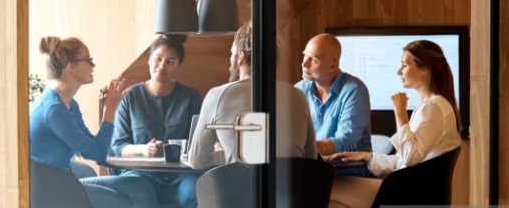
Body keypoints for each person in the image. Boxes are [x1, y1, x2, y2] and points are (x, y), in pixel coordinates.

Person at [325, 40, 463, 208]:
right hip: (409, 189)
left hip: (409, 194)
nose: (399, 71)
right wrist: (368, 156)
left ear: (425, 69)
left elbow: (410, 158)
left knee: (324, 191)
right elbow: (404, 160)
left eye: (404, 65)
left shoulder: (434, 107)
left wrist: (400, 112)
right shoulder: (432, 105)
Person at [29, 36, 159, 208]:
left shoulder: (69, 104)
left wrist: (108, 111)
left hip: (65, 179)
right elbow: (98, 154)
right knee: (129, 203)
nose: (93, 65)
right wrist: (110, 111)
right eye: (88, 60)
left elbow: (95, 147)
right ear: (71, 66)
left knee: (139, 185)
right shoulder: (54, 110)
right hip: (52, 190)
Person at [188, 22, 317, 168]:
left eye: (232, 54)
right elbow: (311, 158)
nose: (230, 60)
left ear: (240, 57)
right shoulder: (298, 96)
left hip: (240, 189)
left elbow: (196, 161)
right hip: (288, 189)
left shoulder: (217, 95)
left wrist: (227, 154)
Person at [111, 34, 202, 208]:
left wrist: (188, 145)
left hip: (182, 175)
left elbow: (200, 141)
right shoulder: (130, 97)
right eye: (158, 59)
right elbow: (118, 146)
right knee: (137, 192)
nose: (161, 66)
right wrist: (145, 149)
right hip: (140, 174)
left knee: (196, 193)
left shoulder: (190, 96)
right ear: (149, 59)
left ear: (178, 67)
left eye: (170, 62)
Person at [295, 34, 372, 176]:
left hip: (347, 175)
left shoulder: (355, 90)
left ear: (333, 65)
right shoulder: (299, 89)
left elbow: (346, 143)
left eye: (314, 60)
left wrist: (303, 147)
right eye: (305, 56)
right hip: (314, 173)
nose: (304, 64)